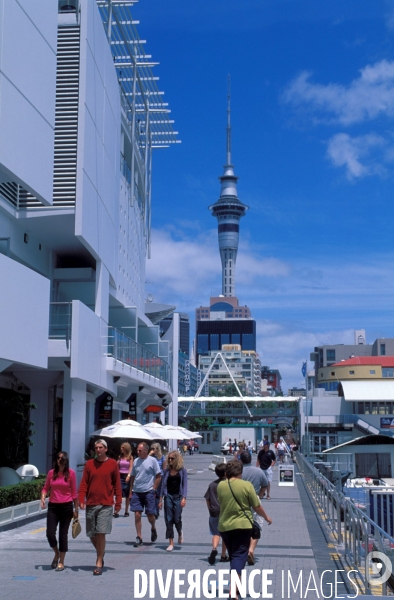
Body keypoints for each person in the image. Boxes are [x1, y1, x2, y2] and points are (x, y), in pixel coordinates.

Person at [218, 460, 272, 600]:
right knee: (239, 556)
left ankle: (236, 587)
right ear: (240, 472)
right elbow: (256, 506)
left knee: (234, 555)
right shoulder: (246, 486)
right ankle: (233, 591)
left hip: (225, 526)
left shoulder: (221, 486)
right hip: (242, 526)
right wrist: (266, 517)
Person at [78, 439, 122, 575]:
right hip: (91, 502)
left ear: (106, 449)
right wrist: (81, 498)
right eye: (96, 448)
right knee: (91, 533)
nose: (98, 450)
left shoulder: (113, 464)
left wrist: (118, 502)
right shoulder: (89, 464)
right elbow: (84, 483)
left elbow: (117, 485)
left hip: (106, 503)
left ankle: (98, 561)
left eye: (101, 447)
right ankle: (101, 552)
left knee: (100, 532)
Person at [41, 451, 79, 572]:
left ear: (66, 460)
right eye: (57, 458)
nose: (59, 460)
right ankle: (56, 553)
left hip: (66, 507)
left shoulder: (71, 474)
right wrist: (42, 498)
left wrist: (76, 509)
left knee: (63, 535)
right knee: (50, 533)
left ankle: (61, 561)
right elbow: (46, 488)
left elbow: (74, 492)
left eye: (62, 458)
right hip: (53, 507)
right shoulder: (52, 473)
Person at [129, 442, 162, 547]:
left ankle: (153, 527)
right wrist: (130, 491)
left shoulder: (152, 461)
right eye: (137, 450)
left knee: (150, 515)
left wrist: (154, 488)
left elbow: (158, 476)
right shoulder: (136, 461)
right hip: (137, 491)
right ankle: (139, 537)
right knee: (137, 514)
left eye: (140, 450)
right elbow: (133, 476)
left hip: (148, 491)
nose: (137, 452)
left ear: (146, 451)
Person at [240, 450, 268, 565]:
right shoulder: (258, 471)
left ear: (241, 460)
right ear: (251, 459)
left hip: (240, 500)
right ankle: (251, 549)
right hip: (255, 499)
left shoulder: (238, 471)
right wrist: (260, 494)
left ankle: (243, 549)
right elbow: (265, 485)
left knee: (243, 526)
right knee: (257, 526)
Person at [159, 450, 188, 552]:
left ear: (177, 459)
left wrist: (184, 497)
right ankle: (171, 542)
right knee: (169, 519)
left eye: (172, 458)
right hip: (168, 496)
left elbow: (185, 485)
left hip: (179, 496)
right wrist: (160, 499)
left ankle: (180, 532)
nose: (170, 460)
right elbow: (163, 485)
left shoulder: (182, 470)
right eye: (169, 458)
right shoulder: (166, 471)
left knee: (177, 518)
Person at [204, 462, 229, 565]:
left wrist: (210, 509)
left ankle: (214, 548)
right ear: (225, 473)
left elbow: (207, 498)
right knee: (225, 535)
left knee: (216, 533)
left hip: (214, 512)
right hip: (226, 512)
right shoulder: (228, 484)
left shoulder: (212, 484)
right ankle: (223, 555)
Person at [149, 442, 166, 518]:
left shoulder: (162, 457)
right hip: (152, 477)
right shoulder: (150, 457)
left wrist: (164, 479)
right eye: (151, 448)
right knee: (152, 493)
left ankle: (156, 511)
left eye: (153, 449)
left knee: (158, 494)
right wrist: (149, 454)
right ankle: (153, 510)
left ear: (157, 449)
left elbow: (164, 468)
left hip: (160, 477)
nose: (152, 450)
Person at [117, 442, 133, 517]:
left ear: (126, 448)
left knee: (127, 494)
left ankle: (126, 511)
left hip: (126, 475)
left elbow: (131, 467)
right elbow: (118, 467)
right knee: (119, 493)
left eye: (123, 447)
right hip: (120, 475)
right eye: (121, 447)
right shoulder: (120, 456)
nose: (121, 449)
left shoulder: (130, 457)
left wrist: (129, 475)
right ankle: (117, 510)